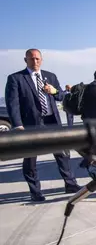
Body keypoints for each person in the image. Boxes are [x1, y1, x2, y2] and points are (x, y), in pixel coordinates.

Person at [4, 49, 81, 201]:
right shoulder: (16, 78)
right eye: (32, 59)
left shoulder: (50, 76)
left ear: (42, 59)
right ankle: (35, 192)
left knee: (62, 154)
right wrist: (18, 125)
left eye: (38, 59)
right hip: (31, 125)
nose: (35, 62)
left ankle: (70, 183)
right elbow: (13, 104)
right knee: (31, 159)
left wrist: (54, 91)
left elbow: (61, 97)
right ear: (25, 60)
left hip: (52, 121)